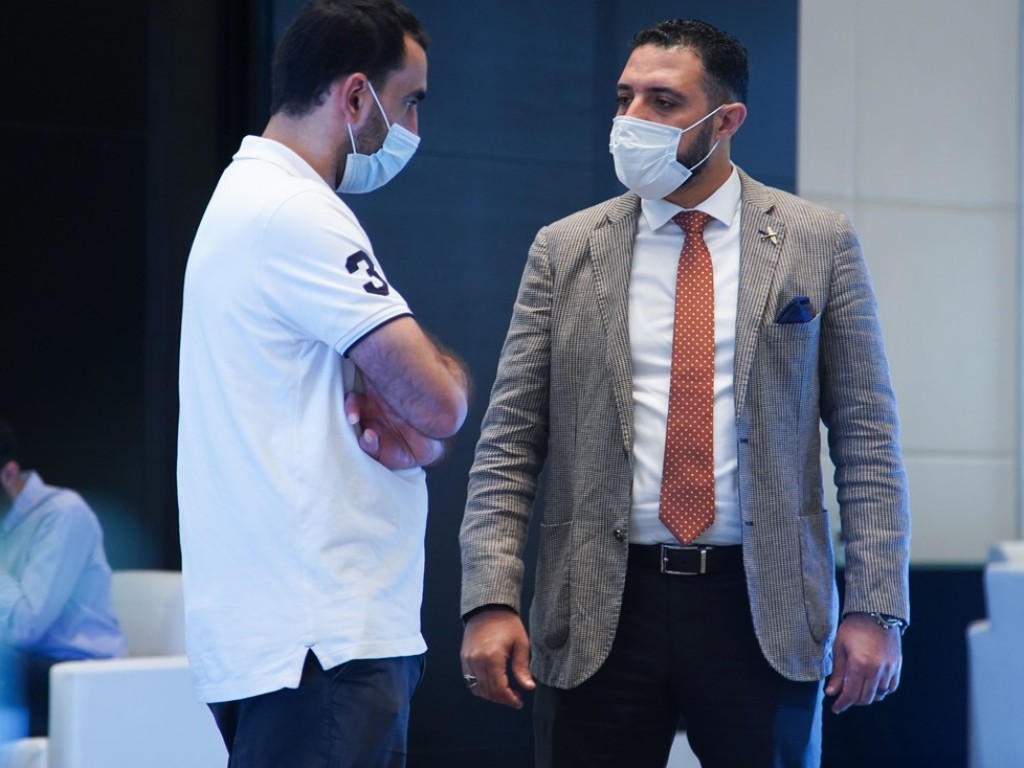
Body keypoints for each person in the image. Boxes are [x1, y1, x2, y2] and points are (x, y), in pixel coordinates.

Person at [458, 18, 910, 768]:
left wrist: (876, 606)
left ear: (725, 121)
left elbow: (868, 440)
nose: (632, 119)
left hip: (761, 605)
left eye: (662, 102)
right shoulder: (564, 249)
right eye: (624, 97)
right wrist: (490, 597)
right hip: (600, 602)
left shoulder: (817, 241)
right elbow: (508, 442)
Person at [176, 1, 469, 766]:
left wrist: (407, 418)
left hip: (284, 635)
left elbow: (405, 414)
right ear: (356, 97)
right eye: (410, 102)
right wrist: (433, 395)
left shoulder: (246, 198)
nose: (413, 128)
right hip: (324, 639)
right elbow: (439, 403)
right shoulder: (295, 209)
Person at [0, 418, 126, 737]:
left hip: (77, 670)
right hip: (24, 666)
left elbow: (26, 626)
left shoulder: (62, 513)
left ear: (9, 474)